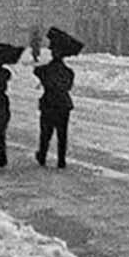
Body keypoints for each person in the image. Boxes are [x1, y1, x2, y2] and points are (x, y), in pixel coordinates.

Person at [34, 26, 81, 168]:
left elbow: (38, 72)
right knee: (62, 134)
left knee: (46, 133)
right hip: (63, 105)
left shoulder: (46, 70)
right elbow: (68, 87)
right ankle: (61, 159)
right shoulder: (68, 72)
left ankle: (42, 155)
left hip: (49, 103)